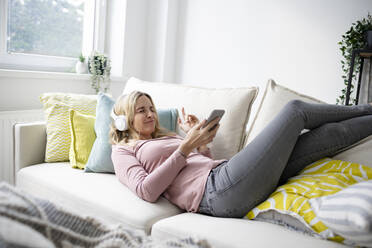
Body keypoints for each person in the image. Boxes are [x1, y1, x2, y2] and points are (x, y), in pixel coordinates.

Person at [110, 91, 372, 218]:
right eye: (141, 110)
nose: (150, 114)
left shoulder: (166, 137)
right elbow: (146, 190)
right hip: (216, 192)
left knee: (329, 136)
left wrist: (198, 142)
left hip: (224, 177)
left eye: (151, 108)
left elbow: (197, 165)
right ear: (124, 119)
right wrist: (186, 146)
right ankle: (366, 107)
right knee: (295, 110)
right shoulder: (123, 150)